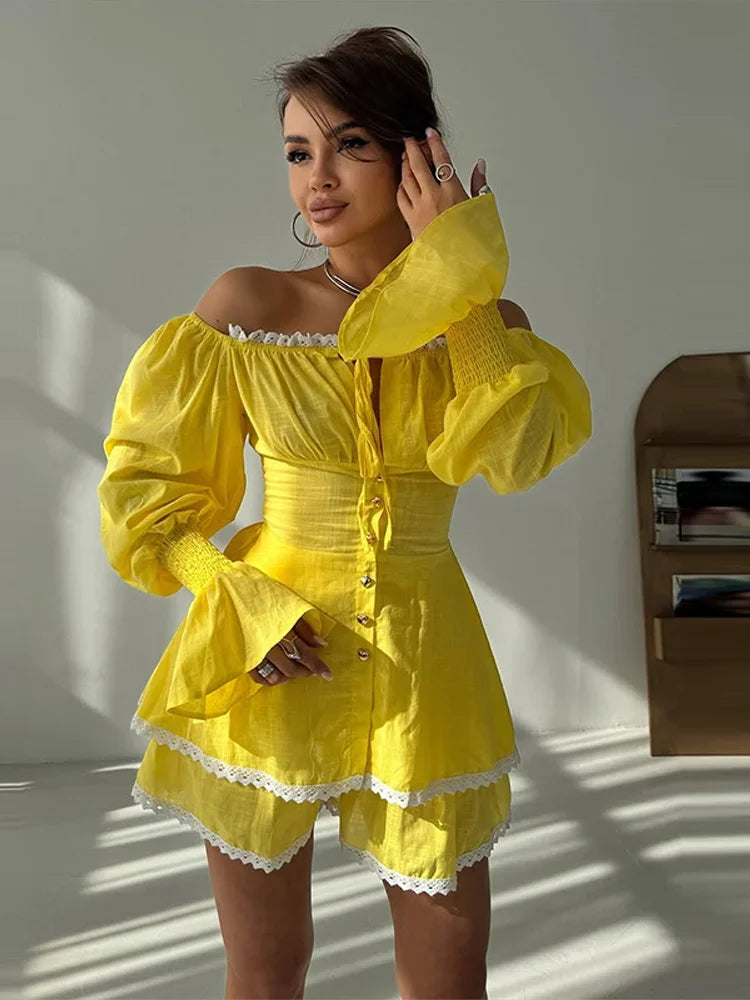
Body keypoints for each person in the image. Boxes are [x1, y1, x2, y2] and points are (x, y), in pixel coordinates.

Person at [97, 25, 592, 1000]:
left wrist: (458, 280)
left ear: (418, 157)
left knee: (451, 982)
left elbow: (517, 455)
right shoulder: (248, 308)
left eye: (351, 145)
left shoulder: (487, 327)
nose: (316, 179)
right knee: (267, 974)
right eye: (297, 152)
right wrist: (237, 601)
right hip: (269, 660)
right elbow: (148, 506)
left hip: (428, 672)